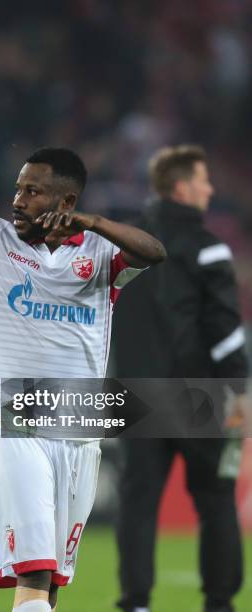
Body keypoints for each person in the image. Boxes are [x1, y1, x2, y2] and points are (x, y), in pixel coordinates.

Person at [0, 38, 166, 612]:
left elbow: (155, 252)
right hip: (19, 419)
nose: (17, 198)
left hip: (82, 423)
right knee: (33, 572)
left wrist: (91, 221)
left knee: (50, 584)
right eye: (18, 187)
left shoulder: (98, 255)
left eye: (32, 189)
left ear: (65, 199)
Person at [112, 145, 250, 612]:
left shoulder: (123, 244)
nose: (210, 188)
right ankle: (219, 603)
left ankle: (135, 602)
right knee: (216, 501)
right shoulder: (207, 246)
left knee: (137, 503)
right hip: (201, 395)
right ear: (181, 186)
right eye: (203, 179)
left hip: (134, 393)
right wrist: (240, 395)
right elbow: (226, 331)